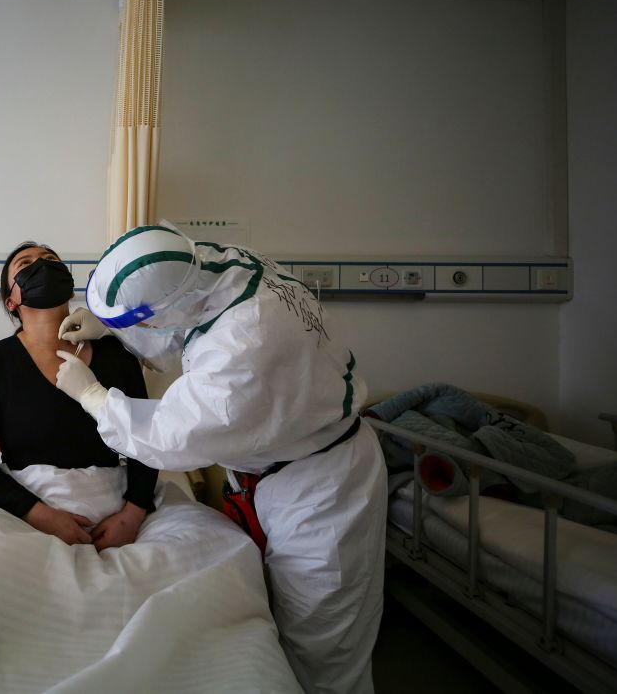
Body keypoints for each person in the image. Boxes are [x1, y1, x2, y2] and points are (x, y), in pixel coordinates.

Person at [53, 225, 388, 694]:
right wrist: (109, 322)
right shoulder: (214, 265)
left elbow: (172, 432)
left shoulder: (247, 347)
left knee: (324, 647)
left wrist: (93, 397)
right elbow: (187, 319)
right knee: (273, 616)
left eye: (138, 321)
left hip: (321, 490)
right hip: (277, 469)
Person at [0, 241, 158, 550]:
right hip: (24, 507)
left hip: (114, 506)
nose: (42, 265)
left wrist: (132, 514)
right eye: (25, 264)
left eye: (51, 260)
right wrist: (40, 515)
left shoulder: (116, 354)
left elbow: (148, 439)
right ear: (10, 301)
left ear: (67, 281)